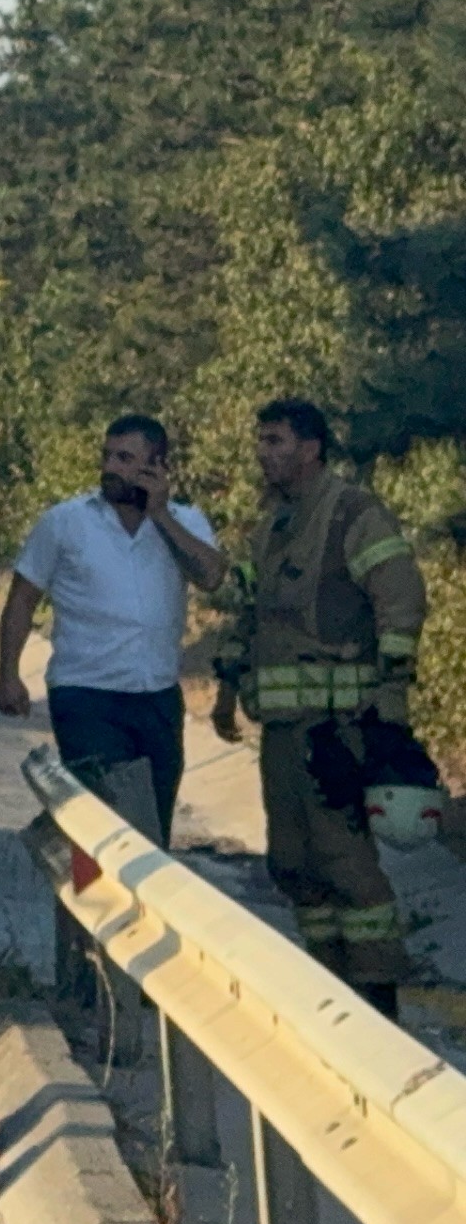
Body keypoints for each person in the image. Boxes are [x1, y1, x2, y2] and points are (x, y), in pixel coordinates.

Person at [212, 398, 424, 1010]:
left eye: (276, 441)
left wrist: (389, 701)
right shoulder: (273, 524)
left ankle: (378, 997)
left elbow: (401, 598)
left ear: (310, 448)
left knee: (346, 860)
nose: (263, 453)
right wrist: (227, 687)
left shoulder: (351, 515)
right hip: (282, 730)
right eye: (261, 441)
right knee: (294, 863)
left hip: (341, 728)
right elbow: (249, 613)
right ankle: (332, 988)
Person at [0, 414, 224, 842]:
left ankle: (126, 908)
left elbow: (211, 576)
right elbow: (23, 598)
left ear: (157, 465)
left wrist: (161, 516)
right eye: (107, 456)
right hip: (87, 697)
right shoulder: (66, 522)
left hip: (157, 699)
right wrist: (9, 674)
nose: (111, 467)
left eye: (125, 458)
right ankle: (85, 901)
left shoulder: (184, 522)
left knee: (152, 836)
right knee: (109, 826)